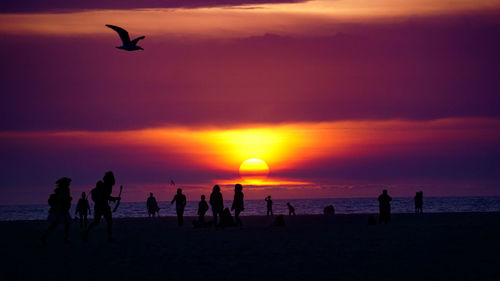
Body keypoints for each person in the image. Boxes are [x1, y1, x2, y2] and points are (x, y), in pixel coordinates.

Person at [84, 171, 121, 242]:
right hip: (103, 206)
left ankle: (86, 231)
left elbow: (106, 196)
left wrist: (114, 198)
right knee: (109, 221)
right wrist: (115, 198)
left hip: (98, 206)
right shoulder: (107, 186)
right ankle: (109, 237)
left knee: (96, 222)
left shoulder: (105, 186)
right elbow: (106, 196)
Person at [40, 177, 72, 243]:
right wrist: (67, 199)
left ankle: (44, 236)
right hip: (60, 210)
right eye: (68, 183)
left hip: (62, 210)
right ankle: (44, 236)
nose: (69, 184)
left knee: (61, 224)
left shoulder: (64, 190)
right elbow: (62, 199)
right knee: (59, 224)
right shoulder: (63, 190)